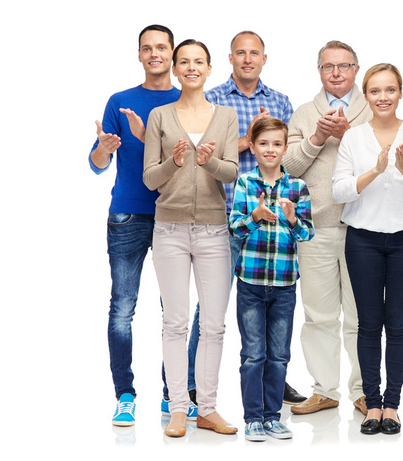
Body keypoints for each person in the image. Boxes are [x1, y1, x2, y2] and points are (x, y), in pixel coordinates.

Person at [332, 63, 403, 435]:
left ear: (400, 92)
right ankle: (371, 405)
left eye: (389, 90)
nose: (382, 98)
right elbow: (339, 191)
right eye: (375, 91)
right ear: (366, 94)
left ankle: (392, 404)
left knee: (397, 324)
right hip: (363, 240)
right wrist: (376, 170)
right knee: (367, 324)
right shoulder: (353, 138)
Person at [143, 39, 239, 438]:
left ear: (209, 68)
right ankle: (179, 408)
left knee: (214, 325)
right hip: (169, 230)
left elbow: (231, 172)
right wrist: (174, 162)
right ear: (177, 70)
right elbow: (150, 178)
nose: (191, 67)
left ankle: (209, 409)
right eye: (185, 62)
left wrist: (208, 161)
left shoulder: (227, 115)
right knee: (176, 322)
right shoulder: (160, 115)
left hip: (215, 228)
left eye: (199, 61)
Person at [89, 25, 185, 426]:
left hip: (174, 214)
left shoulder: (187, 99)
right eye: (147, 48)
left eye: (161, 47)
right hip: (127, 213)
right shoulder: (121, 100)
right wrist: (102, 149)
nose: (154, 54)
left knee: (174, 311)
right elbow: (96, 165)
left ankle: (173, 393)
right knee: (122, 308)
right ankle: (124, 394)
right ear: (140, 55)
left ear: (173, 53)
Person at [203, 31, 304, 404]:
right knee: (212, 307)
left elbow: (287, 156)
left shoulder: (280, 101)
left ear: (265, 58)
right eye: (240, 53)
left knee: (274, 305)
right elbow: (206, 156)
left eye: (254, 53)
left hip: (273, 224)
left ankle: (275, 381)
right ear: (230, 58)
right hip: (224, 216)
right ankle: (195, 386)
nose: (247, 59)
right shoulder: (212, 100)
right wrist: (246, 138)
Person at [282, 40, 371, 416]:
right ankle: (325, 390)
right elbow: (288, 166)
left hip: (363, 229)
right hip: (315, 229)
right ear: (319, 71)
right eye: (328, 66)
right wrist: (318, 138)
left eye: (344, 65)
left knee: (361, 315)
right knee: (319, 315)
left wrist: (348, 134)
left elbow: (382, 163)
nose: (336, 73)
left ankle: (365, 390)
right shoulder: (304, 114)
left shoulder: (373, 110)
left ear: (356, 69)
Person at [229, 117, 314, 441]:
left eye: (276, 144)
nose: (270, 149)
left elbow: (307, 233)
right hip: (250, 283)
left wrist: (292, 220)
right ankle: (253, 418)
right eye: (263, 143)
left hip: (284, 285)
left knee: (279, 355)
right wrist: (254, 217)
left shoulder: (297, 188)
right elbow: (233, 227)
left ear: (285, 148)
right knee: (254, 353)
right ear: (252, 147)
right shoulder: (245, 183)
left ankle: (272, 416)